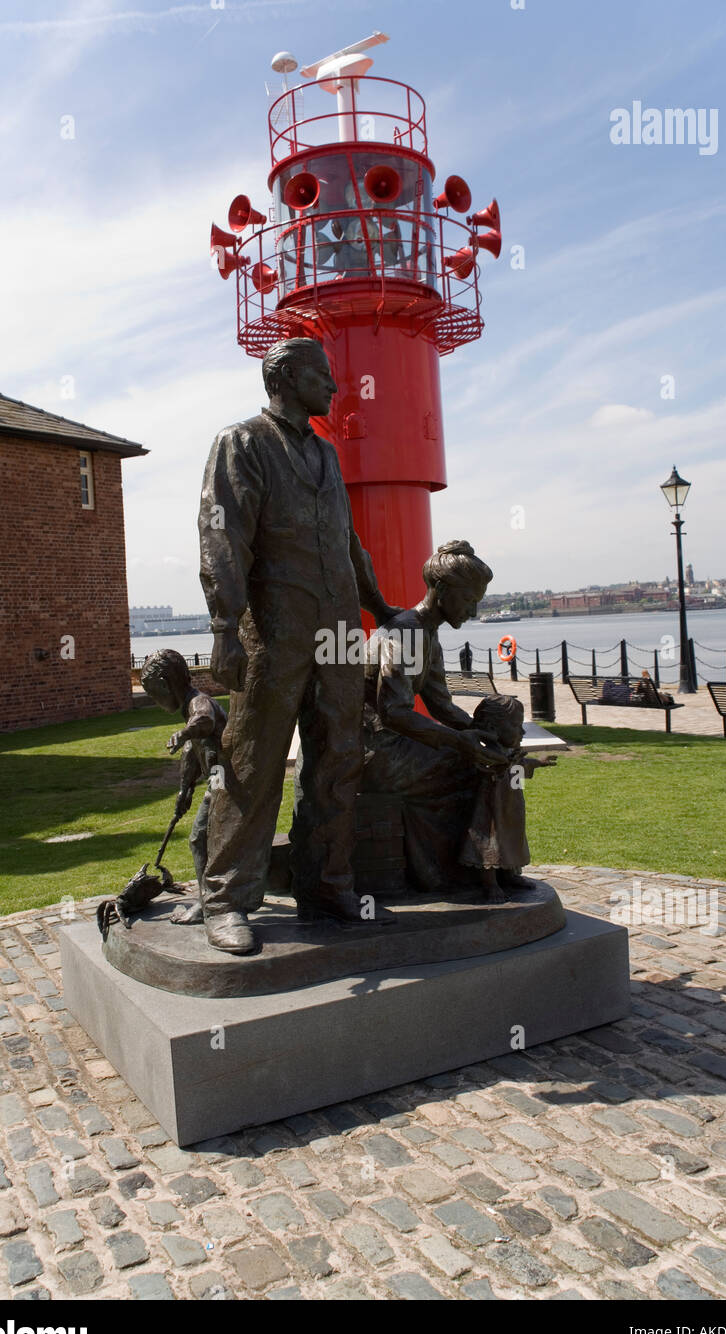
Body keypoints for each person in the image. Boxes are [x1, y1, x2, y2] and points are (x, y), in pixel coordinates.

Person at [198, 337, 397, 955]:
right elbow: (222, 535)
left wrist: (380, 606)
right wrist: (225, 628)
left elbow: (348, 542)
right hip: (275, 631)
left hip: (338, 630)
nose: (336, 389)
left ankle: (326, 884)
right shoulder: (243, 443)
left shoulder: (328, 456)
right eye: (323, 376)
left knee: (339, 758)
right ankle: (227, 897)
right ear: (286, 378)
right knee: (252, 764)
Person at [361, 540, 512, 893]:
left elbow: (442, 705)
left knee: (487, 762)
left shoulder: (427, 635)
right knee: (472, 770)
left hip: (392, 746)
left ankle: (469, 869)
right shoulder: (406, 632)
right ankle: (455, 873)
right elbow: (394, 712)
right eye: (469, 601)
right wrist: (462, 743)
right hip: (371, 753)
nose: (472, 613)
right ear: (441, 589)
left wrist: (484, 732)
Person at [140, 649, 227, 926]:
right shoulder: (188, 707)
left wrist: (184, 732)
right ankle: (214, 899)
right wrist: (184, 791)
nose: (155, 702)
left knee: (200, 839)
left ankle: (209, 904)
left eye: (155, 694)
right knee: (203, 839)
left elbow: (204, 722)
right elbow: (192, 754)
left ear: (166, 685)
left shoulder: (199, 703)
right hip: (218, 781)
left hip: (226, 782)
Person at [459, 695, 557, 900]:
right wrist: (501, 763)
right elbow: (485, 769)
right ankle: (490, 882)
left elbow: (519, 767)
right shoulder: (484, 752)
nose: (522, 732)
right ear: (493, 728)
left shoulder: (511, 752)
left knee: (512, 837)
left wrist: (538, 762)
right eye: (515, 725)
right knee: (490, 843)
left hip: (511, 805)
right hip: (490, 809)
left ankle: (510, 873)